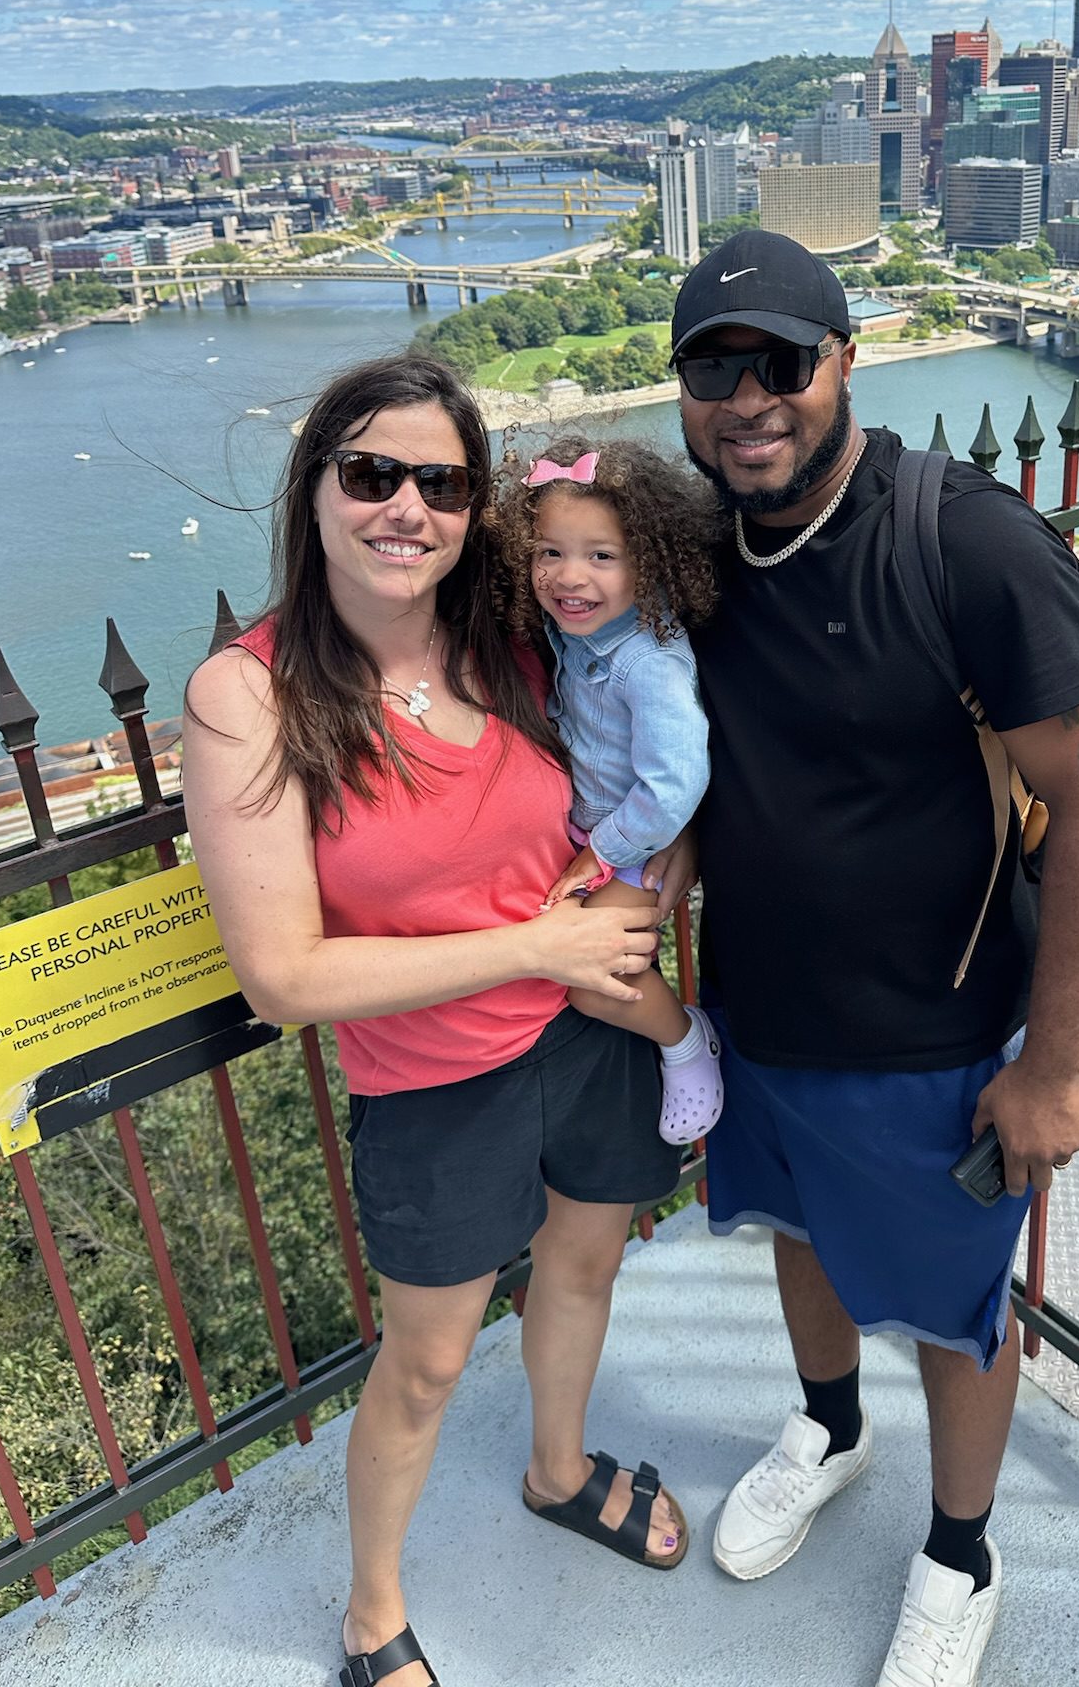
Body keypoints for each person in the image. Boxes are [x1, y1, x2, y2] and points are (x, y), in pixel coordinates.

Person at [672, 229, 1079, 1687]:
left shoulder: (969, 542)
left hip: (937, 1037)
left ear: (845, 364)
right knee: (799, 1238)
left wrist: (1054, 1069)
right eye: (712, 367)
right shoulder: (695, 553)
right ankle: (826, 1424)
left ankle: (963, 1548)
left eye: (782, 363)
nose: (750, 398)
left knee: (954, 1304)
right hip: (760, 1010)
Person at [183, 354, 693, 1687]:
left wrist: (646, 898)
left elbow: (661, 763)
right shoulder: (251, 696)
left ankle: (560, 1469)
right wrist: (544, 941)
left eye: (444, 482)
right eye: (372, 474)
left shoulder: (517, 637)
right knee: (427, 1360)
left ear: (478, 509)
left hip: (589, 1034)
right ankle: (371, 1617)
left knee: (586, 1267)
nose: (407, 506)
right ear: (316, 491)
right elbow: (283, 978)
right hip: (436, 1080)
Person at [493, 434, 725, 1144]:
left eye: (602, 556)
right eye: (548, 552)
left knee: (592, 985)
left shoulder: (645, 663)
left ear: (648, 564)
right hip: (602, 839)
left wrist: (602, 853)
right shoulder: (577, 636)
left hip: (630, 846)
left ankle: (687, 1043)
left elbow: (676, 780)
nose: (570, 577)